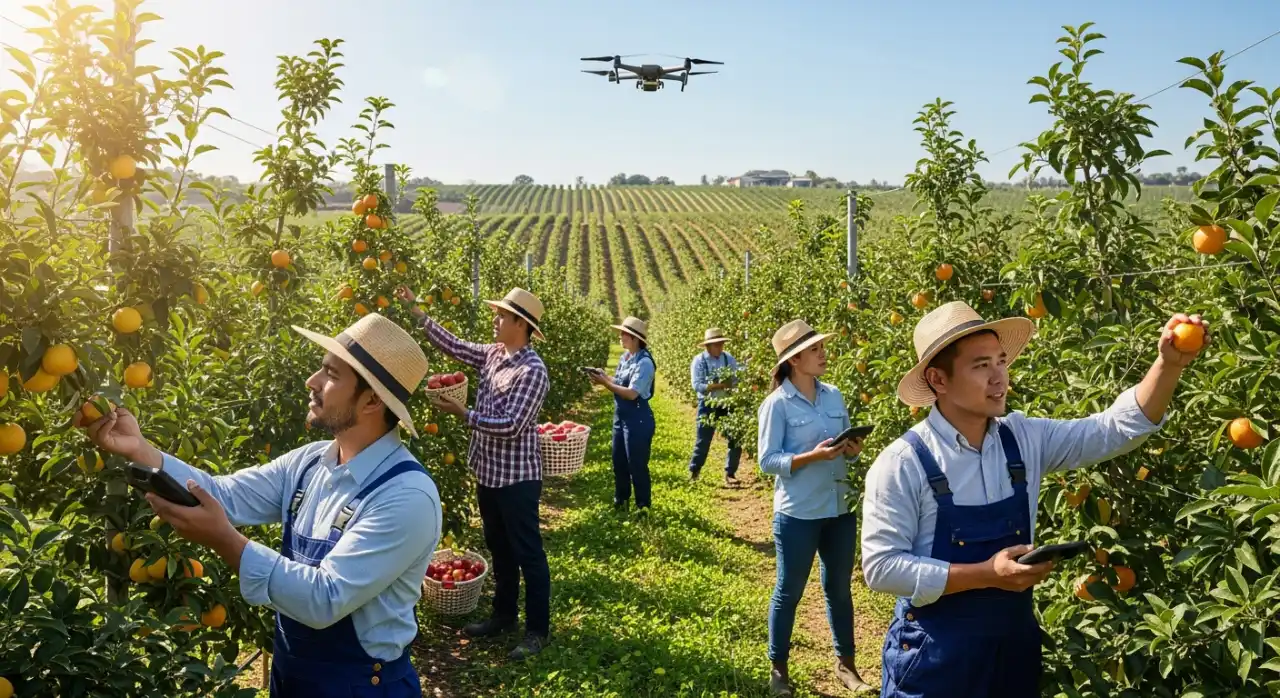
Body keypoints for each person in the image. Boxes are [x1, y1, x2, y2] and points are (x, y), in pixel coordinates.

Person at [79, 313, 441, 697]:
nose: (312, 381)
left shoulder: (406, 496)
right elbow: (222, 494)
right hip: (292, 676)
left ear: (371, 400)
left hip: (360, 687)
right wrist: (140, 449)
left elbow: (325, 598)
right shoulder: (309, 464)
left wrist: (225, 541)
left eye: (331, 375)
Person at [861, 301, 1208, 697]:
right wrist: (987, 573)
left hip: (1012, 648)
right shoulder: (904, 462)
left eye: (1001, 361)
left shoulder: (1024, 439)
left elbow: (1112, 430)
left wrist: (1168, 365)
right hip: (935, 657)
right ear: (938, 379)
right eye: (981, 366)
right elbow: (882, 567)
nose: (999, 377)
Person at [395, 285, 552, 660]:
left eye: (502, 315)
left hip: (517, 478)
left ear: (520, 324)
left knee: (528, 553)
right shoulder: (494, 353)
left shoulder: (533, 371)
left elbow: (512, 425)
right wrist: (418, 312)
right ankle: (503, 615)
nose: (495, 320)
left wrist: (464, 414)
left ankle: (537, 631)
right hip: (488, 472)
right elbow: (456, 346)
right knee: (499, 547)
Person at [757, 319, 873, 697]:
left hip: (839, 508)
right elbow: (768, 460)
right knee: (789, 591)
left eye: (822, 347)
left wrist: (852, 451)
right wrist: (812, 456)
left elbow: (847, 453)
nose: (823, 354)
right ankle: (778, 670)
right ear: (794, 360)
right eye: (814, 350)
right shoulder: (777, 405)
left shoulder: (834, 395)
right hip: (799, 513)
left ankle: (847, 666)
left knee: (839, 588)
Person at [588, 316, 657, 513]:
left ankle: (643, 506)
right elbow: (619, 382)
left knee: (637, 464)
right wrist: (604, 377)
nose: (620, 336)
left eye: (624, 333)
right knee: (619, 461)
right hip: (621, 416)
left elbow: (632, 393)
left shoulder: (645, 363)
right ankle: (621, 501)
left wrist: (605, 384)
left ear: (635, 338)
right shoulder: (625, 357)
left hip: (638, 418)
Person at [687, 327, 743, 486]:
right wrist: (719, 385)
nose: (720, 347)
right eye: (716, 344)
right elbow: (697, 385)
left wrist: (734, 384)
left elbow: (736, 379)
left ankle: (730, 473)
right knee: (703, 439)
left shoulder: (728, 359)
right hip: (707, 404)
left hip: (726, 403)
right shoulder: (699, 361)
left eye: (721, 344)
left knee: (735, 437)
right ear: (708, 346)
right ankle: (695, 471)